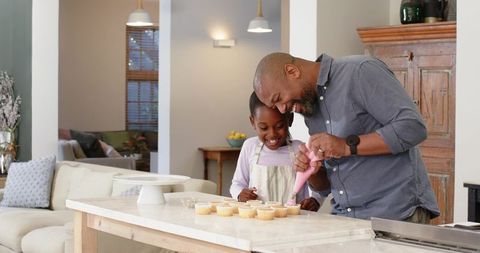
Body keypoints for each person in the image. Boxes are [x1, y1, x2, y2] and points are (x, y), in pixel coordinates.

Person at [252, 52, 439, 223]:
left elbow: (413, 127)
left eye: (278, 98)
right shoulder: (310, 107)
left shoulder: (360, 71)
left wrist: (346, 146)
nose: (282, 109)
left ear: (292, 71)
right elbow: (325, 187)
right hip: (347, 218)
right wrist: (313, 170)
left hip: (396, 215)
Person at [230, 92, 323, 211]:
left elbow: (319, 186)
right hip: (258, 222)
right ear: (253, 122)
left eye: (279, 126)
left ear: (289, 119)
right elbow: (237, 183)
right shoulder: (250, 146)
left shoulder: (300, 149)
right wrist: (240, 194)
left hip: (294, 223)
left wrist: (315, 200)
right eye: (264, 128)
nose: (272, 134)